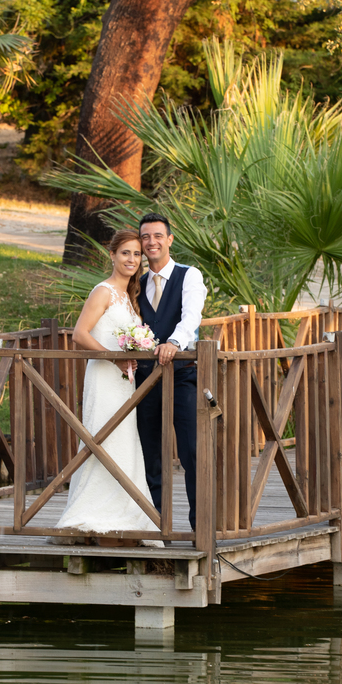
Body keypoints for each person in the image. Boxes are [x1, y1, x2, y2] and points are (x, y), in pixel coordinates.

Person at [53, 230, 161, 545]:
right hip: (103, 376)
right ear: (112, 255)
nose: (132, 259)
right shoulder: (103, 291)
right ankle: (90, 514)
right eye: (125, 253)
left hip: (123, 381)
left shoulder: (131, 296)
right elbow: (80, 334)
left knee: (124, 441)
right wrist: (112, 359)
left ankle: (126, 514)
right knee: (100, 438)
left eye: (137, 254)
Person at [135, 212, 207, 531]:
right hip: (146, 380)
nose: (151, 242)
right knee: (150, 454)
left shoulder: (188, 275)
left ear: (169, 240)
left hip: (182, 376)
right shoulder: (135, 283)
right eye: (145, 237)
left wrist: (175, 341)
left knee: (192, 451)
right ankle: (158, 526)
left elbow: (191, 316)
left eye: (157, 236)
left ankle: (199, 526)